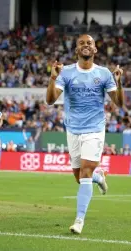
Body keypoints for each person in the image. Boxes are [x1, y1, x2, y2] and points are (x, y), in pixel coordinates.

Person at [46, 34, 124, 234]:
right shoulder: (67, 72)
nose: (86, 45)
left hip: (95, 128)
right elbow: (50, 100)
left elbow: (119, 103)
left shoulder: (104, 73)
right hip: (73, 129)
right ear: (76, 49)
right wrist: (53, 77)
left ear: (95, 49)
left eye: (89, 43)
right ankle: (99, 177)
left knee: (86, 172)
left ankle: (79, 220)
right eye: (81, 43)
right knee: (79, 177)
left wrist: (119, 82)